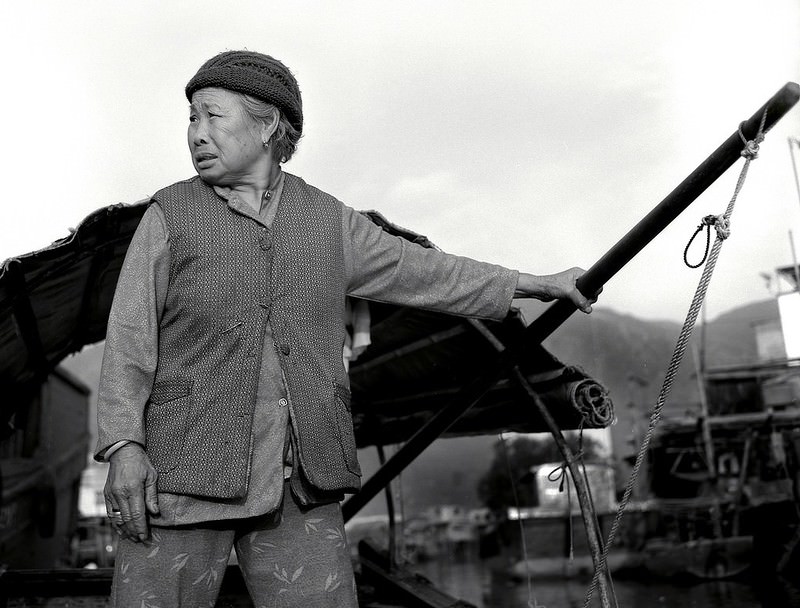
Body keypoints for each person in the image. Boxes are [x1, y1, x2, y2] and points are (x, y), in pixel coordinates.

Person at [95, 50, 597, 608]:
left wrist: (536, 283)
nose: (196, 133)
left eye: (213, 116)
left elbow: (429, 272)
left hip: (300, 479)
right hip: (181, 475)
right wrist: (124, 447)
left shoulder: (326, 221)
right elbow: (129, 341)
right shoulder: (170, 216)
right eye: (192, 117)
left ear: (267, 128)